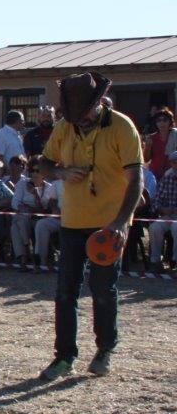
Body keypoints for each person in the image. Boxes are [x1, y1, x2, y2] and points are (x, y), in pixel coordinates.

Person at [37, 71, 143, 380]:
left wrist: (121, 223)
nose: (78, 120)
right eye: (73, 115)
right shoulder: (64, 127)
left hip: (108, 225)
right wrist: (62, 172)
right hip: (72, 222)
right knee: (65, 291)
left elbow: (135, 180)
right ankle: (64, 357)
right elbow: (43, 164)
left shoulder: (123, 127)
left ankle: (104, 349)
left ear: (97, 105)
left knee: (103, 291)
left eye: (83, 114)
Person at [10, 162, 62, 269]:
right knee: (19, 221)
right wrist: (22, 208)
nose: (34, 173)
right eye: (32, 171)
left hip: (39, 217)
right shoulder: (22, 183)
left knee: (17, 225)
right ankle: (25, 253)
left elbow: (45, 208)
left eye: (37, 171)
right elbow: (14, 202)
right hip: (23, 215)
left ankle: (24, 255)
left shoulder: (49, 187)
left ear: (43, 173)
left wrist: (35, 194)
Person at [149, 163, 177, 274]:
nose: (176, 165)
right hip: (166, 216)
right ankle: (155, 262)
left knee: (176, 228)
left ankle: (175, 261)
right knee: (154, 228)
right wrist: (162, 209)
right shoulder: (166, 179)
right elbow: (155, 201)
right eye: (174, 162)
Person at [143, 107, 177, 178]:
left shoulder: (175, 135)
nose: (161, 123)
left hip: (172, 176)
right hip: (154, 175)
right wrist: (148, 146)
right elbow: (146, 159)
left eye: (165, 120)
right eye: (159, 120)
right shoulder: (151, 138)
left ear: (170, 122)